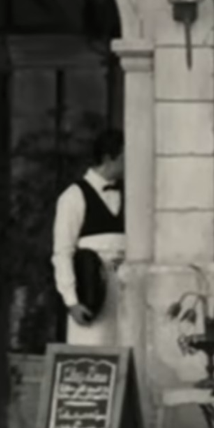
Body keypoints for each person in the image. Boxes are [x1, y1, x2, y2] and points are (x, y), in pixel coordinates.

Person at [50, 130, 126, 345]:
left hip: (125, 297)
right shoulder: (73, 196)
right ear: (108, 158)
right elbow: (62, 253)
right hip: (92, 294)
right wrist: (72, 301)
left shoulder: (130, 194)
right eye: (125, 157)